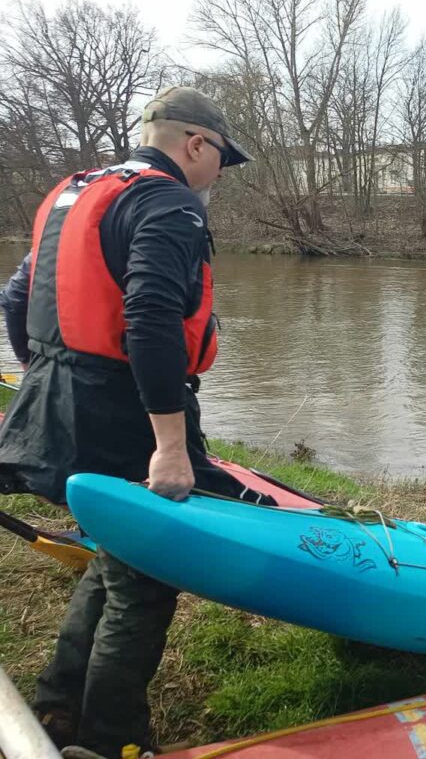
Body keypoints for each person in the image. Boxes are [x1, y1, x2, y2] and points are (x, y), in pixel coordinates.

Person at [0, 86, 260, 758]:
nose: (215, 179)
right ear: (195, 144)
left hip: (54, 402)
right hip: (124, 415)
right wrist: (170, 446)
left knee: (117, 557)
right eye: (220, 161)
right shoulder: (168, 202)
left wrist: (44, 373)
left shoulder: (79, 191)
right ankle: (113, 739)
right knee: (146, 581)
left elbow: (18, 296)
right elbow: (149, 318)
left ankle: (58, 709)